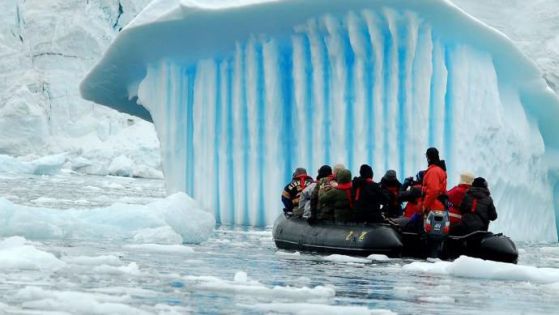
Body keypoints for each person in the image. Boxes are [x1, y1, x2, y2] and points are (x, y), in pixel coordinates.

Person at [421, 147, 447, 215]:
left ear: (428, 158)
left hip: (434, 207)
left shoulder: (433, 171)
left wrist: (424, 205)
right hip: (439, 206)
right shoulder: (439, 169)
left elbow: (433, 190)